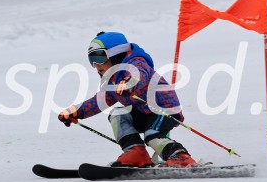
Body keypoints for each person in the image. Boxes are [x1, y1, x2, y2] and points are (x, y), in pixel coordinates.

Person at [58, 31, 198, 168]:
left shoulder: (136, 62)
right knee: (117, 115)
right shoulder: (111, 81)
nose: (96, 64)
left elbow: (139, 75)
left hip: (163, 108)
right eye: (91, 60)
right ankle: (136, 153)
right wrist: (76, 111)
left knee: (152, 135)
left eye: (100, 57)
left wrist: (129, 83)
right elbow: (99, 102)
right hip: (143, 113)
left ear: (116, 55)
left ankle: (180, 157)